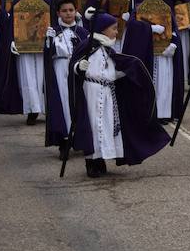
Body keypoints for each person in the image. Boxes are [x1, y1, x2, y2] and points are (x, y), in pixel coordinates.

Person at [69, 11, 170, 178]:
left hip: (108, 92)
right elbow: (74, 65)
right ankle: (91, 161)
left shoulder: (108, 49)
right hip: (91, 91)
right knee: (93, 126)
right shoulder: (87, 46)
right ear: (102, 29)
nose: (117, 32)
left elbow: (112, 70)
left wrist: (127, 72)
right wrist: (79, 67)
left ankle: (101, 159)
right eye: (114, 29)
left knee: (106, 126)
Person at [44, 0, 89, 158]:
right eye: (64, 11)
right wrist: (49, 42)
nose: (68, 13)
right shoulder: (54, 32)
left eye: (71, 10)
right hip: (61, 69)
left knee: (80, 103)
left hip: (78, 71)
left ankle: (82, 139)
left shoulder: (83, 32)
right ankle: (65, 141)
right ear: (58, 13)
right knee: (64, 103)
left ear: (76, 11)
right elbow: (48, 56)